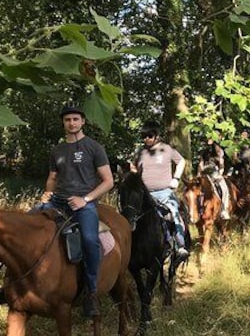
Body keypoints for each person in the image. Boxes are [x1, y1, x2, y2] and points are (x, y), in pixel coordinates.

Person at [35, 104, 114, 318]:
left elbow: (108, 181)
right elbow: (52, 178)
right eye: (68, 119)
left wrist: (85, 199)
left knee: (89, 240)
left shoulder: (94, 147)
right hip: (58, 201)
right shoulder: (57, 150)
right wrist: (47, 194)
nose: (72, 123)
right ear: (63, 123)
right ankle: (14, 285)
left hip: (84, 203)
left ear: (83, 122)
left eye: (75, 119)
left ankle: (91, 292)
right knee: (27, 225)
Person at [130, 120, 190, 259]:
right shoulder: (140, 152)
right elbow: (134, 168)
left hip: (165, 193)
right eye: (144, 136)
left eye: (149, 136)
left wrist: (176, 178)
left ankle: (180, 246)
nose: (146, 139)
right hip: (145, 195)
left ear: (156, 136)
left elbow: (181, 161)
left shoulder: (167, 149)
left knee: (175, 214)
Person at [198, 137, 230, 220]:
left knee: (224, 189)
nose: (209, 139)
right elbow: (201, 164)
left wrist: (220, 174)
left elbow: (221, 165)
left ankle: (224, 210)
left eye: (210, 138)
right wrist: (199, 174)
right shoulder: (203, 151)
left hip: (215, 173)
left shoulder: (219, 151)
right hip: (205, 173)